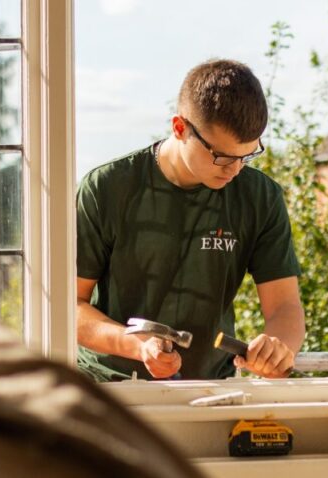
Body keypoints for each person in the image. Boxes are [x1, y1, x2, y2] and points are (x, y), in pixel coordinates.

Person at [76, 59, 305, 382]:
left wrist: (279, 347)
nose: (235, 169)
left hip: (212, 390)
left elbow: (285, 307)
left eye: (247, 155)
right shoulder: (106, 188)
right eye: (222, 156)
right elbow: (68, 307)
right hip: (110, 392)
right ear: (180, 128)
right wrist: (136, 347)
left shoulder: (260, 197)